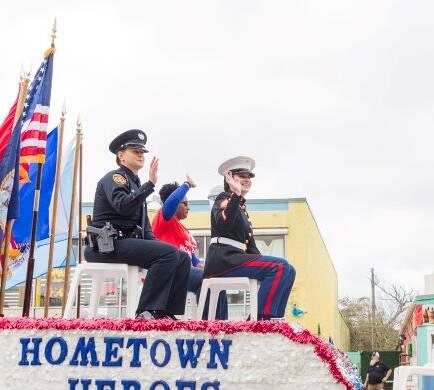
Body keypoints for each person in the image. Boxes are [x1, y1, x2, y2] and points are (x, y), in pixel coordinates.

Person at [85, 129, 190, 319]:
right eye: (135, 151)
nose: (140, 154)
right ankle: (147, 311)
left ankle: (166, 312)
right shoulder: (115, 178)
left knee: (181, 256)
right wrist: (149, 184)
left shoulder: (135, 185)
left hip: (123, 243)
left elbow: (146, 230)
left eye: (142, 151)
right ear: (121, 155)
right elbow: (123, 206)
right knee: (167, 254)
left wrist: (162, 246)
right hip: (106, 246)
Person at [203, 156, 296, 320]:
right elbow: (224, 223)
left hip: (236, 257)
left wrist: (262, 260)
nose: (247, 180)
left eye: (249, 177)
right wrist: (236, 195)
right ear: (229, 178)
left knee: (288, 269)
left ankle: (271, 319)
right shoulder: (224, 198)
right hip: (223, 259)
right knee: (280, 267)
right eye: (242, 176)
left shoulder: (240, 206)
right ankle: (259, 319)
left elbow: (250, 246)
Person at [152, 178, 227, 319]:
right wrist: (187, 185)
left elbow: (196, 263)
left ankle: (223, 326)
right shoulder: (164, 219)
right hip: (168, 272)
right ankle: (208, 327)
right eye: (184, 203)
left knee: (217, 279)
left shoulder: (184, 231)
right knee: (206, 280)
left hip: (185, 270)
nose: (188, 207)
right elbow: (171, 202)